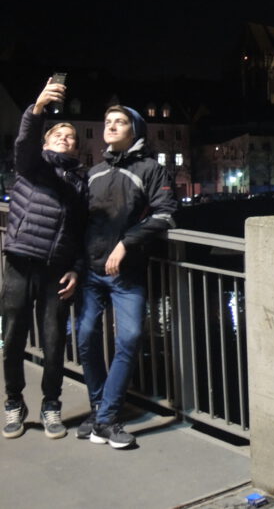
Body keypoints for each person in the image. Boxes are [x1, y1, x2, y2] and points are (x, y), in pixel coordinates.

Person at [76, 105, 178, 449]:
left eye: (119, 122)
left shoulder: (152, 169)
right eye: (107, 122)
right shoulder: (95, 171)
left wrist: (126, 244)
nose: (111, 126)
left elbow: (165, 216)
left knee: (130, 339)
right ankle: (100, 409)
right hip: (91, 271)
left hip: (126, 272)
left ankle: (106, 417)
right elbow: (81, 222)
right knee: (85, 337)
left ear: (134, 131)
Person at [2, 78, 86, 440]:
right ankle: (13, 402)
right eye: (59, 136)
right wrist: (37, 108)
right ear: (46, 141)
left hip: (56, 271)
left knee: (54, 343)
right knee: (12, 337)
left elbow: (83, 233)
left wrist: (76, 269)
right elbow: (23, 141)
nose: (66, 140)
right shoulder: (31, 166)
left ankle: (51, 405)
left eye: (71, 137)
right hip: (21, 262)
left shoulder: (80, 183)